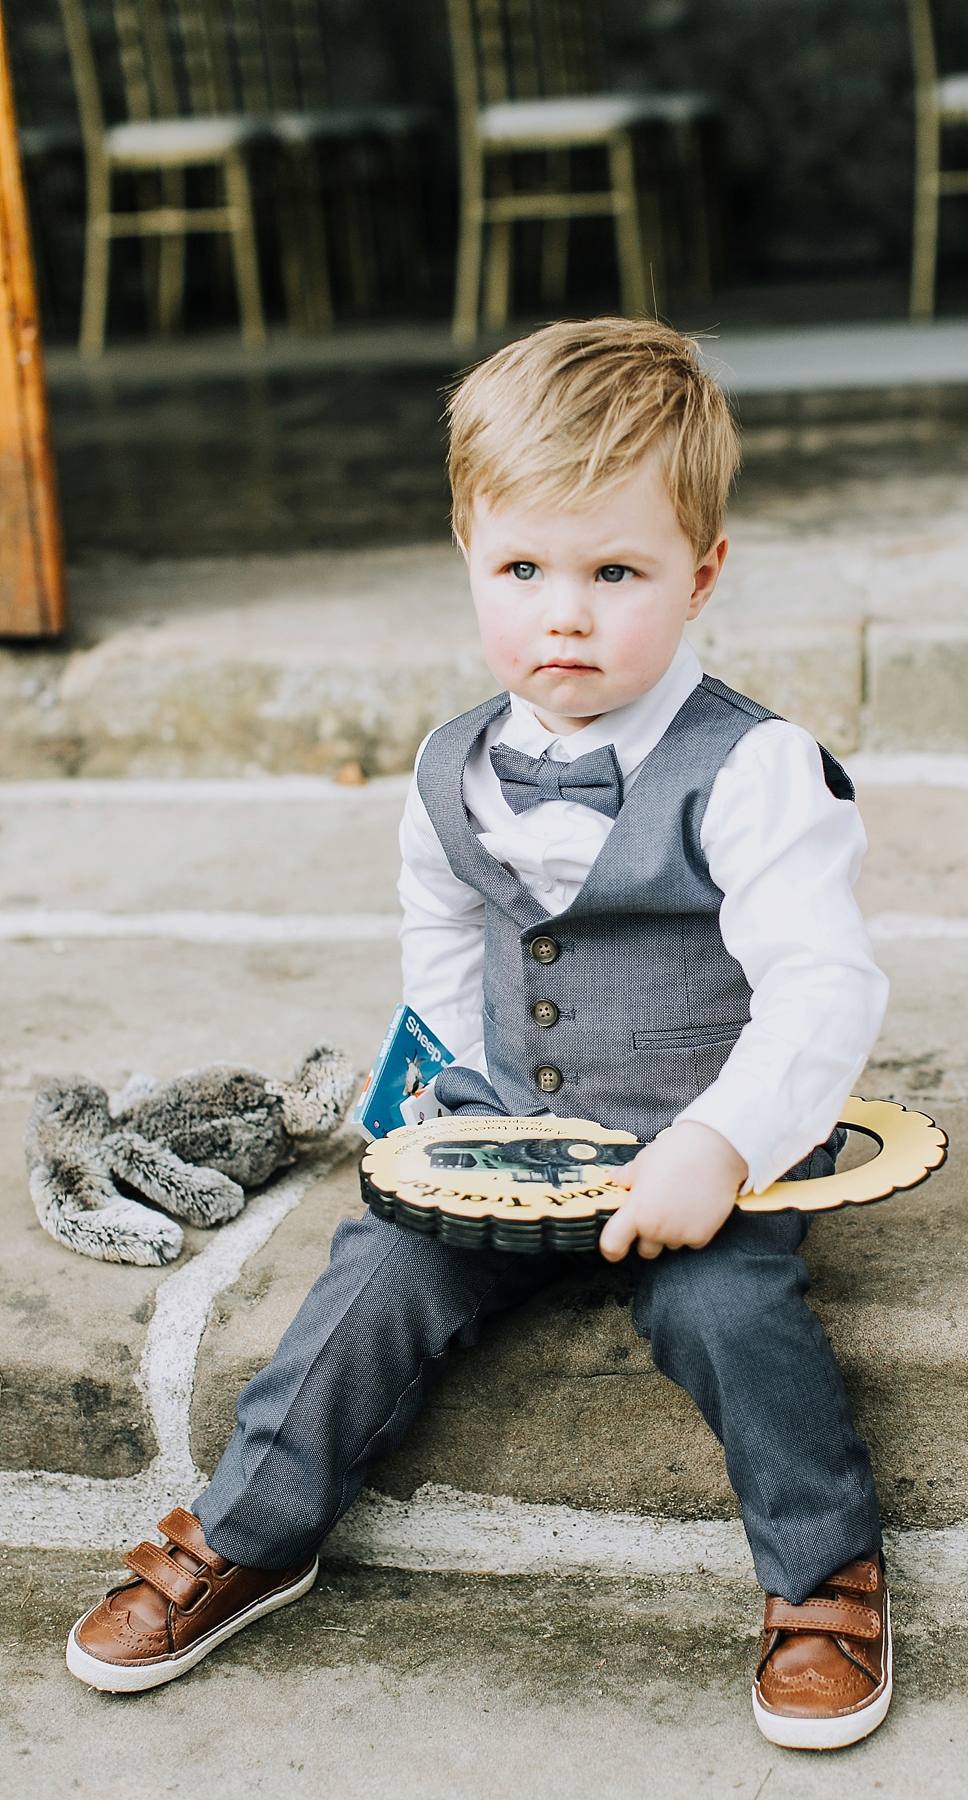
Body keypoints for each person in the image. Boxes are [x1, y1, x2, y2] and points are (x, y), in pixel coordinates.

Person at [65, 318, 891, 1751]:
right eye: (523, 571)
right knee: (375, 1268)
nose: (563, 617)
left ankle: (826, 1575)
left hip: (707, 1147)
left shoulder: (756, 769)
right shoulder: (452, 766)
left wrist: (719, 1143)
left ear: (701, 576)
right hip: (511, 1139)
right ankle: (255, 1531)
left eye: (615, 573)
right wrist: (440, 1111)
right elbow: (445, 945)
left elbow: (828, 987)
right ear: (467, 555)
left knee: (727, 1312)